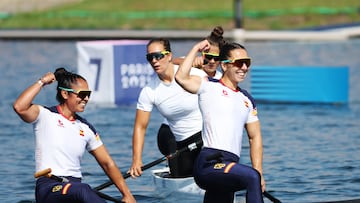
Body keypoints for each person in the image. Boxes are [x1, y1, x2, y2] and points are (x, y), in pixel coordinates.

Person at [13, 68, 136, 203]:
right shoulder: (45, 115)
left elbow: (107, 163)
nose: (86, 99)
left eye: (88, 94)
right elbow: (20, 107)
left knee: (83, 190)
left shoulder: (86, 128)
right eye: (82, 94)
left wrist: (127, 194)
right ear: (65, 94)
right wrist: (41, 82)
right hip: (49, 187)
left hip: (73, 187)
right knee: (83, 190)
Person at [175, 40, 266, 203]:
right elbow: (181, 77)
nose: (244, 67)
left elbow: (255, 137)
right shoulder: (208, 86)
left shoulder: (247, 99)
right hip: (209, 164)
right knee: (251, 176)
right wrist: (195, 49)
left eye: (247, 62)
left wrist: (260, 172)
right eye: (239, 63)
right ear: (224, 66)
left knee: (254, 176)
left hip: (229, 167)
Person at [129, 38, 208, 178]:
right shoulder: (149, 91)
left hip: (206, 137)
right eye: (150, 57)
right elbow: (140, 127)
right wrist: (136, 160)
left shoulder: (195, 74)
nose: (154, 61)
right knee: (181, 175)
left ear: (169, 56)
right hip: (182, 144)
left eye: (158, 56)